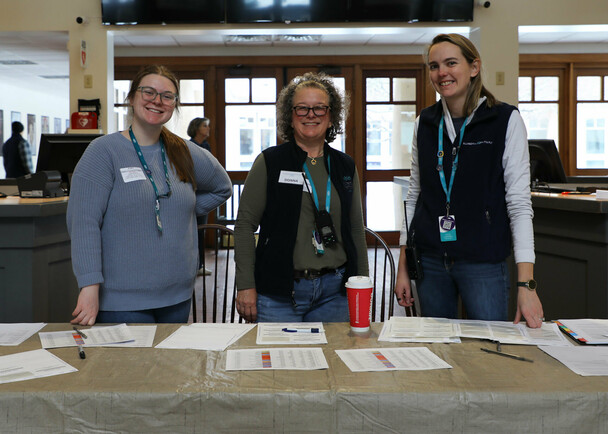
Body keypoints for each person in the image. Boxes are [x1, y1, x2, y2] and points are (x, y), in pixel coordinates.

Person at [394, 34, 544, 328]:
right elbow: (414, 196)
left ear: (474, 67)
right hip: (431, 261)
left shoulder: (504, 120)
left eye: (452, 63)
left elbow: (519, 204)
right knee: (439, 352)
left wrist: (527, 286)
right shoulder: (425, 123)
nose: (442, 73)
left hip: (483, 263)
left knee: (489, 352)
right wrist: (403, 267)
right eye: (434, 66)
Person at [67, 65, 232, 325]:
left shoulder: (185, 151)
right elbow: (84, 224)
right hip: (120, 299)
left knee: (169, 367)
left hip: (177, 295)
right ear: (132, 98)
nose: (157, 100)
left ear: (174, 105)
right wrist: (89, 286)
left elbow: (223, 188)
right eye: (149, 92)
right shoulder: (103, 152)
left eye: (167, 96)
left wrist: (183, 210)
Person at [234, 72, 369, 323]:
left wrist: (362, 283)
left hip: (335, 292)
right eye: (302, 108)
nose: (311, 114)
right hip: (280, 293)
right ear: (290, 116)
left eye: (319, 108)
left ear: (331, 117)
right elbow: (244, 227)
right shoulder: (270, 162)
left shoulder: (344, 166)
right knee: (280, 361)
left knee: (332, 361)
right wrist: (245, 285)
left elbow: (355, 229)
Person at [187, 116, 214, 276]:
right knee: (192, 231)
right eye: (205, 126)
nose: (208, 129)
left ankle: (199, 265)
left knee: (201, 231)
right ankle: (192, 266)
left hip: (204, 192)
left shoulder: (206, 146)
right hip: (193, 192)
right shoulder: (190, 146)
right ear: (197, 128)